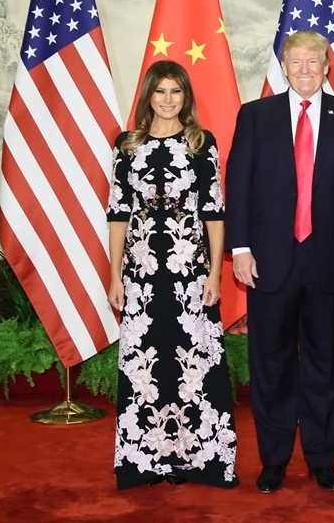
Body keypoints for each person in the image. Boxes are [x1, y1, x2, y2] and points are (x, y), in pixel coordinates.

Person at [225, 30, 334, 494]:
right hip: (268, 261)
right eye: (296, 62)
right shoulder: (256, 115)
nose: (305, 70)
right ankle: (273, 461)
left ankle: (322, 460)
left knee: (325, 366)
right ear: (284, 67)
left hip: (329, 261)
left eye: (314, 62)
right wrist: (240, 248)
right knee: (270, 366)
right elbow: (239, 185)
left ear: (327, 67)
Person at [107, 60, 238, 490]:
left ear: (186, 97)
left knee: (194, 365)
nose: (168, 100)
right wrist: (115, 277)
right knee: (146, 366)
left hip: (190, 275)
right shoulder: (127, 146)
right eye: (160, 91)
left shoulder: (202, 143)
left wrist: (215, 276)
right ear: (148, 96)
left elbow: (214, 213)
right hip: (142, 277)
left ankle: (201, 460)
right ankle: (146, 461)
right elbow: (118, 215)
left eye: (176, 91)